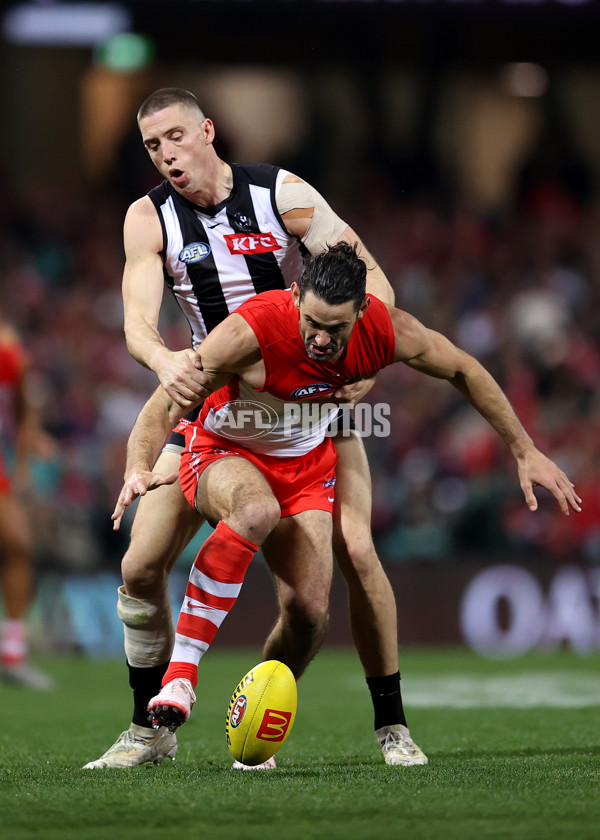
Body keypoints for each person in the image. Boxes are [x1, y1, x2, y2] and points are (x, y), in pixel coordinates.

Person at [110, 243, 581, 768]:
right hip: (226, 448)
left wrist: (524, 449)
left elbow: (465, 369)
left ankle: (253, 730)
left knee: (310, 615)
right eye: (311, 322)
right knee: (245, 517)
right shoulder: (250, 331)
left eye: (334, 329)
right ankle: (181, 676)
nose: (319, 338)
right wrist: (136, 466)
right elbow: (162, 404)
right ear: (294, 298)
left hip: (307, 466)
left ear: (361, 311)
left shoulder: (387, 331)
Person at [84, 87, 422, 769]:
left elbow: (372, 279)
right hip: (217, 406)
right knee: (140, 565)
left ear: (208, 130)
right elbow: (136, 321)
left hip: (308, 406)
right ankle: (150, 729)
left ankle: (353, 722)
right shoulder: (148, 219)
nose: (166, 156)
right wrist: (167, 361)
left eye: (176, 137)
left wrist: (368, 353)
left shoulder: (283, 195)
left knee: (325, 591)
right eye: (153, 146)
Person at [0, 319, 55, 691]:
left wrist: (25, 452)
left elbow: (24, 402)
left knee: (19, 545)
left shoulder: (7, 355)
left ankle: (13, 653)